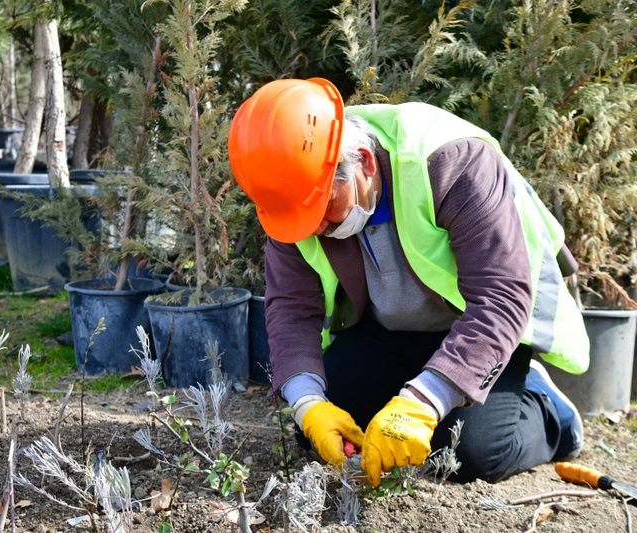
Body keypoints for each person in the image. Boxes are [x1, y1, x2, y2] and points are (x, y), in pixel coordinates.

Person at [227, 78, 590, 485]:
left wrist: (424, 402)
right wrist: (308, 404)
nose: (315, 228)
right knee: (319, 430)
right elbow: (291, 308)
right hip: (391, 329)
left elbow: (501, 297)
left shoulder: (452, 159)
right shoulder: (292, 194)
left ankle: (544, 408)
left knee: (467, 453)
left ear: (364, 163)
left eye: (324, 208)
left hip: (477, 328)